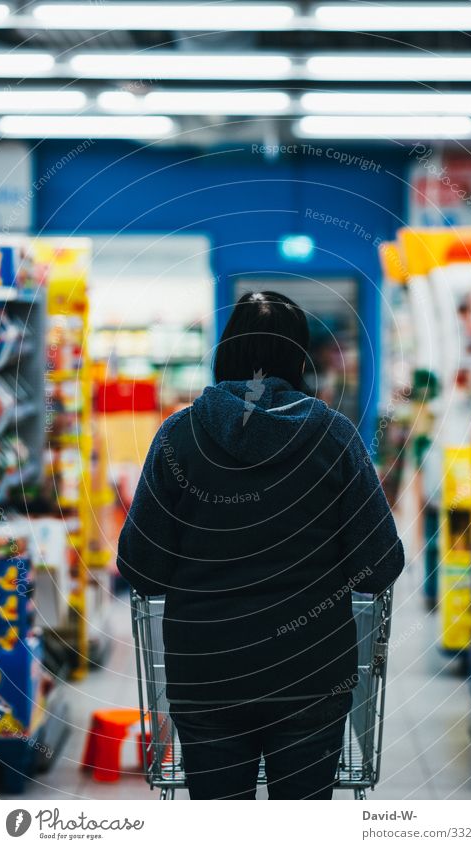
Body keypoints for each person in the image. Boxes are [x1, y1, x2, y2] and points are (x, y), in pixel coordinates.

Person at [117, 290, 404, 800]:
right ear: (301, 361)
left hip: (206, 671)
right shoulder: (334, 438)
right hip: (311, 673)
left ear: (224, 352)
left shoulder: (177, 437)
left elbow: (140, 566)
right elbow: (380, 564)